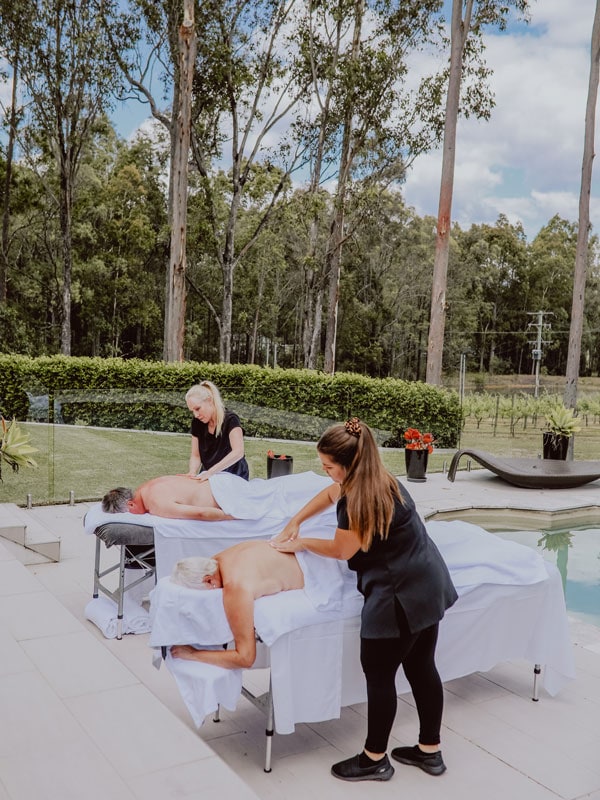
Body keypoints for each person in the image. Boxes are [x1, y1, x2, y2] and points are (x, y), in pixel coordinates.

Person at [271, 417, 458, 783]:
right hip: (429, 582)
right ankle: (429, 752)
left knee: (379, 675)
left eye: (328, 467)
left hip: (398, 596)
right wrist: (297, 519)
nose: (326, 474)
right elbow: (329, 494)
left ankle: (374, 759)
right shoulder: (383, 480)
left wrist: (302, 541)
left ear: (350, 464)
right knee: (422, 666)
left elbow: (343, 550)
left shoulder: (357, 497)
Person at [169, 541, 304, 669]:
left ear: (209, 580)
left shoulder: (234, 588)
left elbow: (245, 658)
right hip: (308, 553)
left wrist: (193, 654)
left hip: (316, 578)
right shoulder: (219, 558)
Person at [185, 381, 249, 481]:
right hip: (208, 473)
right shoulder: (197, 422)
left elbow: (238, 452)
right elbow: (195, 455)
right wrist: (192, 472)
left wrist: (211, 472)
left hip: (233, 474)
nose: (196, 415)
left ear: (210, 400)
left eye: (197, 408)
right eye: (192, 411)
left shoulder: (231, 420)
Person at [101, 474, 237, 521]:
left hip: (227, 496)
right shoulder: (145, 487)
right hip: (224, 481)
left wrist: (232, 516)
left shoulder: (155, 504)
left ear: (130, 504)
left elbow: (201, 513)